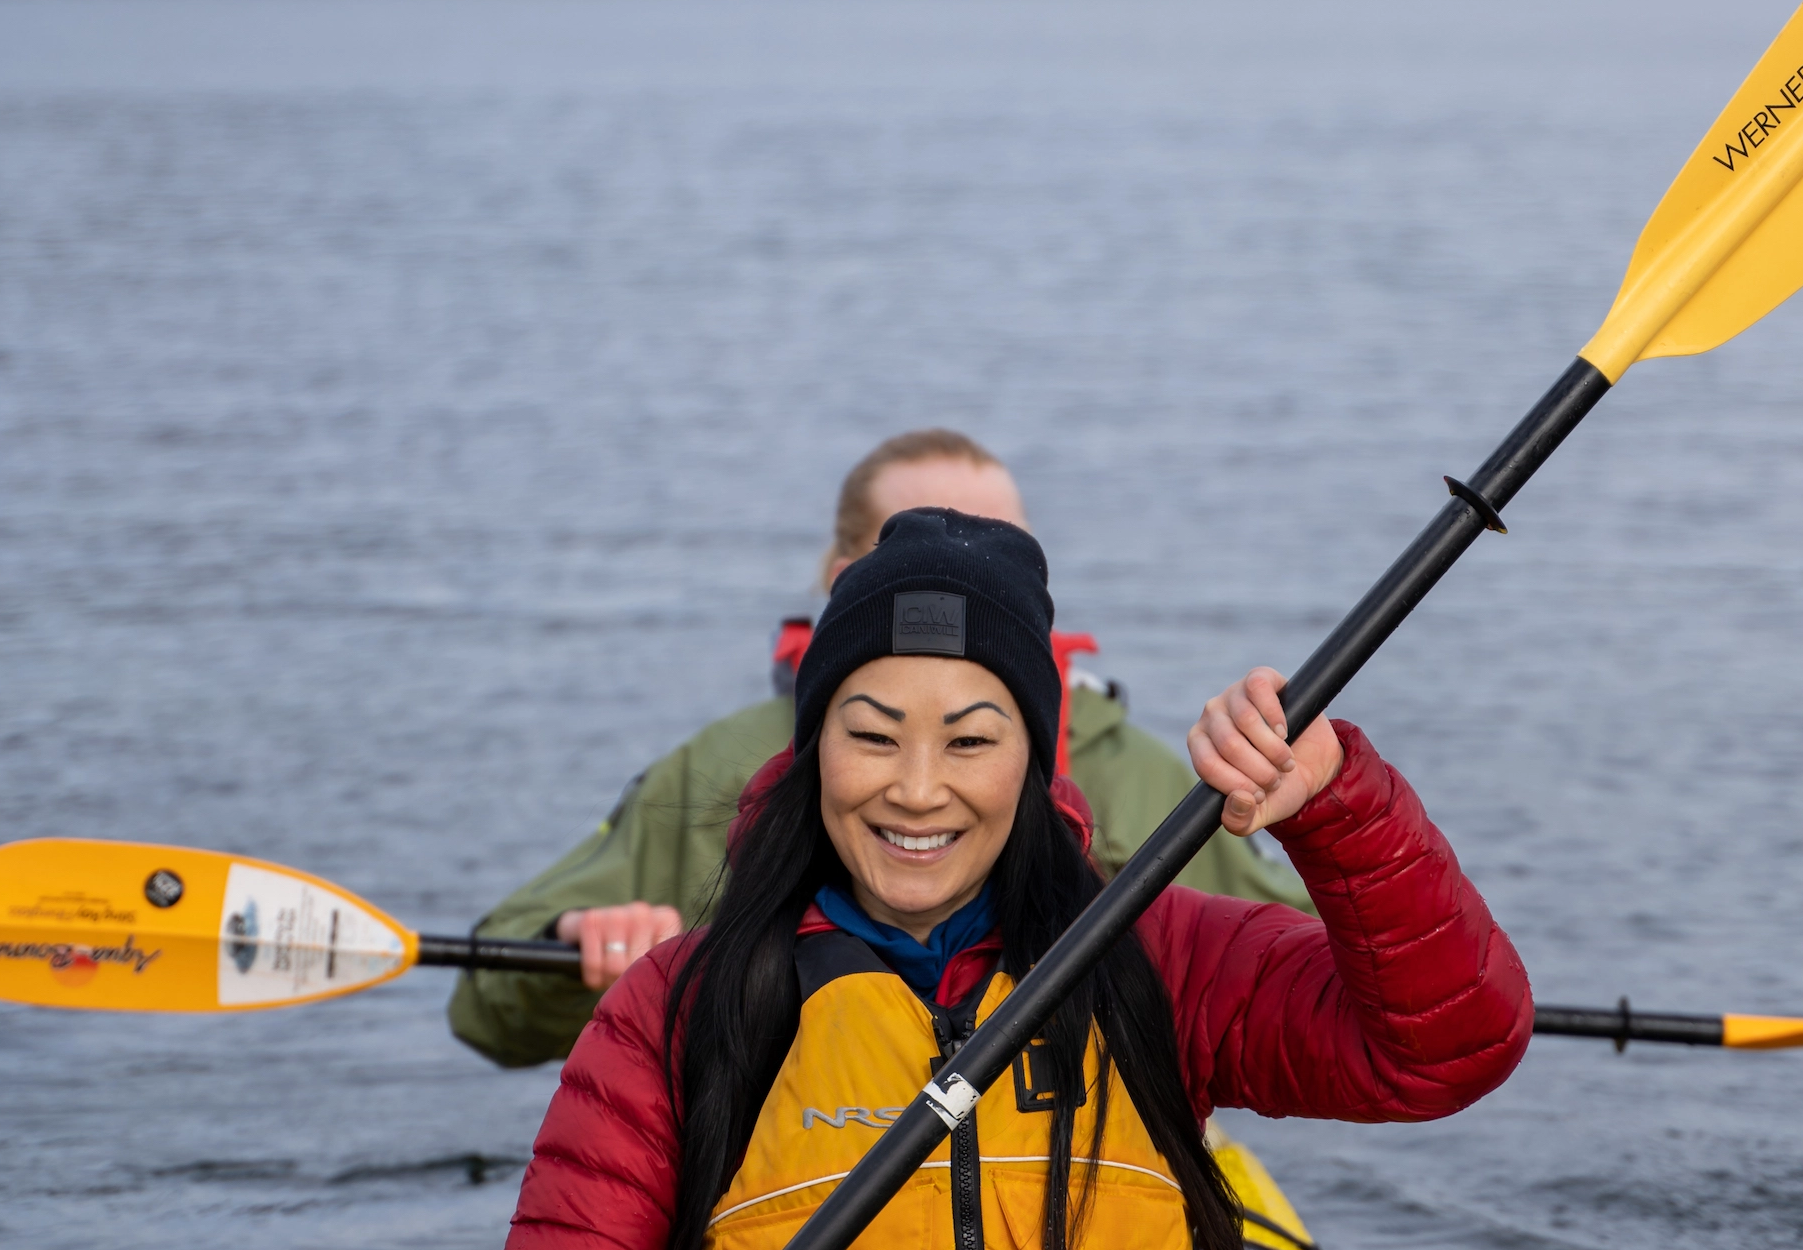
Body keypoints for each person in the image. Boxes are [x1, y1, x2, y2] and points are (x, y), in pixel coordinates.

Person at [466, 510, 1531, 1250]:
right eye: (870, 735)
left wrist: (1336, 804)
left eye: (970, 739)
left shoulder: (1151, 952)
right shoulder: (681, 1005)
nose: (917, 788)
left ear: (1032, 756)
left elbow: (1450, 1044)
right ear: (810, 746)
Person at [448, 428, 1312, 1069]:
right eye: (912, 539)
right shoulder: (720, 771)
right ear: (841, 575)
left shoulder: (1137, 776)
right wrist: (579, 950)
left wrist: (1328, 813)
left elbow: (1322, 975)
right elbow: (487, 1014)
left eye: (997, 549)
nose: (957, 566)